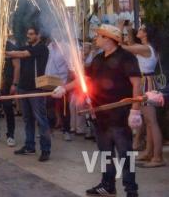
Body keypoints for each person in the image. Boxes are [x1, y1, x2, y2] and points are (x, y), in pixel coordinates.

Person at [52, 24, 141, 197]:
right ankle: (107, 185)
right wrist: (64, 88)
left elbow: (137, 84)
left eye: (99, 36)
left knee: (125, 154)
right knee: (105, 152)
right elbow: (85, 79)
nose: (96, 38)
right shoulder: (98, 58)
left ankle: (131, 190)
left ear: (108, 38)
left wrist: (135, 110)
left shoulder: (126, 57)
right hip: (100, 113)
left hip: (120, 113)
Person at [120, 23, 165, 168]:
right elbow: (130, 45)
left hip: (146, 84)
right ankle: (149, 153)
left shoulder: (145, 48)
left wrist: (119, 29)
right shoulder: (148, 47)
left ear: (145, 34)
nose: (138, 30)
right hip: (147, 83)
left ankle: (158, 157)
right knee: (148, 122)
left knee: (151, 122)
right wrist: (126, 30)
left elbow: (123, 48)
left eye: (141, 29)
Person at [6, 26, 51, 162]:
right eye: (28, 34)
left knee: (41, 120)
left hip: (36, 88)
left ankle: (45, 150)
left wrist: (9, 53)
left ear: (38, 35)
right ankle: (29, 146)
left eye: (32, 34)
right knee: (27, 119)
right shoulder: (27, 47)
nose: (29, 36)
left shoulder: (41, 48)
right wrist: (5, 52)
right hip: (24, 87)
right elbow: (16, 52)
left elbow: (22, 54)